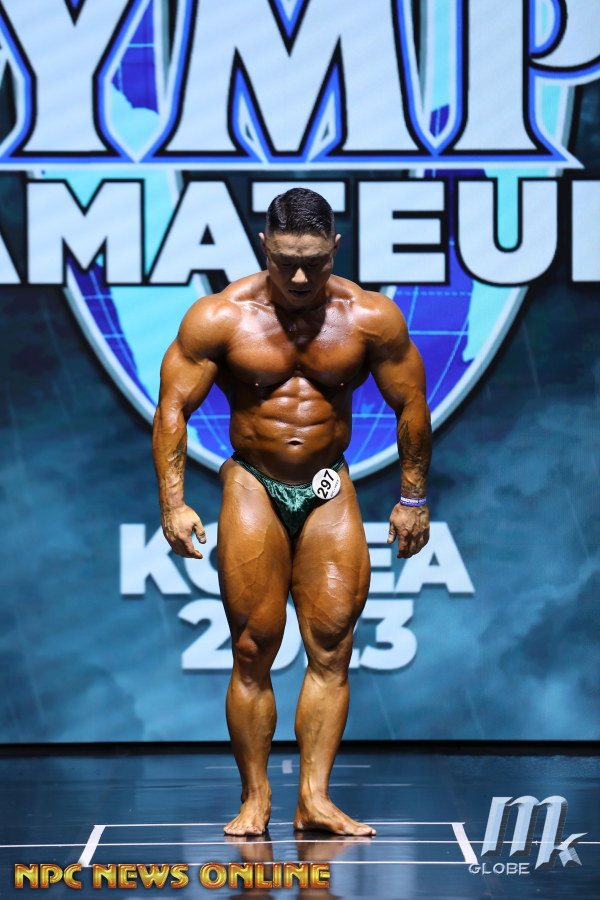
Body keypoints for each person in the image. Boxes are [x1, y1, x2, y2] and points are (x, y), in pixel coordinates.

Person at [152, 188, 431, 837]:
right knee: (253, 646)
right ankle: (255, 799)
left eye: (314, 262)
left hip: (329, 482)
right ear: (263, 247)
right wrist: (173, 504)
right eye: (285, 263)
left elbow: (411, 404)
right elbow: (173, 409)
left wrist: (413, 498)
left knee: (332, 646)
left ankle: (315, 799)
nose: (300, 278)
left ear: (336, 246)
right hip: (254, 480)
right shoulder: (220, 318)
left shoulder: (371, 318)